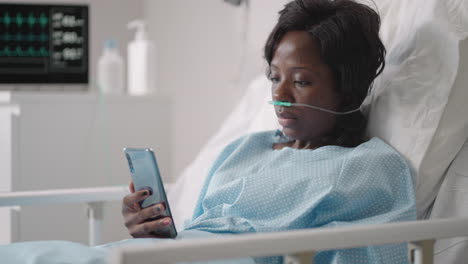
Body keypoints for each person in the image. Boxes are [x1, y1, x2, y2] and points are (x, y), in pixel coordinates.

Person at [121, 0, 416, 263]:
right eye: (275, 77)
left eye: (300, 81)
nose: (280, 94)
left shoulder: (369, 167)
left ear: (346, 90)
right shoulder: (243, 149)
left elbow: (370, 254)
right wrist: (152, 234)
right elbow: (195, 230)